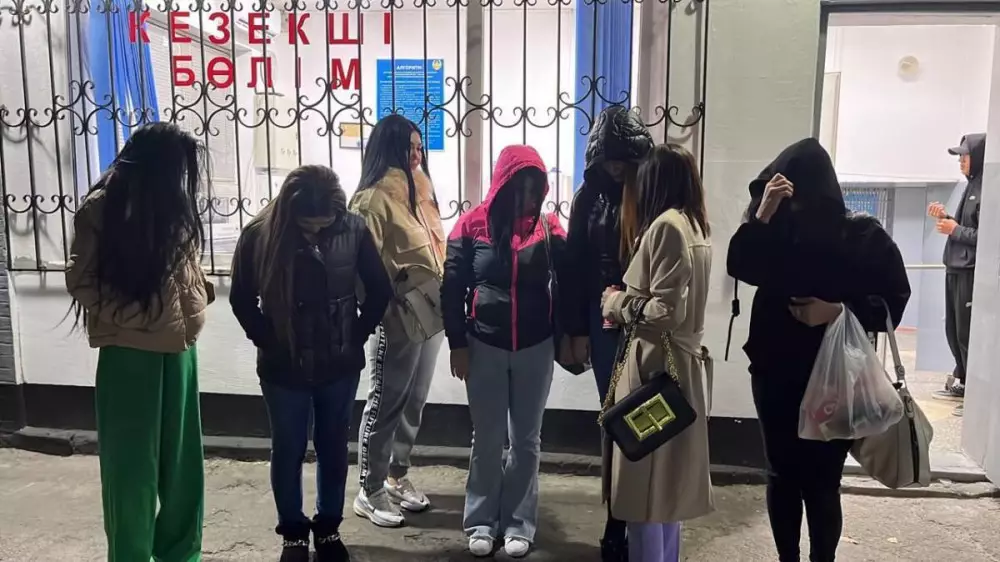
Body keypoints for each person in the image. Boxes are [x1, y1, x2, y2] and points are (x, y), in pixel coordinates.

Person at [727, 138, 911, 562]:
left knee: (822, 481)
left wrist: (838, 311)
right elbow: (740, 265)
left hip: (838, 377)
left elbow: (893, 300)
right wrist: (763, 212)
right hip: (775, 374)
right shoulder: (773, 230)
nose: (797, 206)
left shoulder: (861, 236)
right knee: (782, 475)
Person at [65, 122, 215, 562]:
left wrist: (198, 295)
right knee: (131, 470)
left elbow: (186, 265)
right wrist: (133, 318)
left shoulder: (169, 200)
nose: (183, 176)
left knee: (183, 467)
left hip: (181, 350)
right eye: (177, 167)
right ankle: (131, 555)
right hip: (129, 355)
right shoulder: (102, 207)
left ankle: (181, 554)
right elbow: (80, 279)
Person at [230, 165, 392, 562]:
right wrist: (269, 341)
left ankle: (328, 528)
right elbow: (241, 300)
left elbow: (379, 289)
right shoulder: (259, 235)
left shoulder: (353, 230)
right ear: (290, 212)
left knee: (333, 447)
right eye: (308, 225)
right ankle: (293, 534)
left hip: (339, 364)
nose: (316, 232)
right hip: (283, 367)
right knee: (288, 447)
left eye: (324, 224)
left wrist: (356, 334)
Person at [441, 145, 568, 558]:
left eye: (534, 189)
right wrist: (457, 343)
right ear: (503, 185)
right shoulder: (470, 225)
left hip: (536, 347)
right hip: (483, 346)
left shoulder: (549, 227)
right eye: (520, 189)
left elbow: (570, 280)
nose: (528, 198)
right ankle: (481, 521)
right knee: (487, 437)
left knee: (526, 441)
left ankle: (518, 523)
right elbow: (451, 288)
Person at [599, 144, 714, 562]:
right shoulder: (695, 225)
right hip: (680, 369)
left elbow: (665, 311)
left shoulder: (667, 227)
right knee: (667, 492)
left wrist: (615, 303)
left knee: (643, 492)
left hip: (654, 369)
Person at [563, 105, 653, 560]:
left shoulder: (653, 195)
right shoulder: (589, 198)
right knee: (616, 420)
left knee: (647, 418)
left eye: (625, 160)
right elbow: (574, 267)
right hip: (603, 324)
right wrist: (574, 330)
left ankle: (641, 516)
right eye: (610, 159)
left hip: (645, 321)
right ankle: (617, 517)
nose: (617, 168)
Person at [349, 114, 447, 528]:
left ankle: (395, 475)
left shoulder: (420, 192)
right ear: (389, 148)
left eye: (420, 147)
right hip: (397, 316)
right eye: (410, 147)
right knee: (386, 402)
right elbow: (360, 266)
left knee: (414, 399)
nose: (417, 154)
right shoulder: (372, 200)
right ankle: (369, 489)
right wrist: (381, 309)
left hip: (431, 312)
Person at [928, 133, 986, 418]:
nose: (961, 161)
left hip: (970, 271)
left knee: (967, 333)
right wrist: (946, 218)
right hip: (955, 266)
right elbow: (964, 226)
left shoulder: (988, 188)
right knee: (953, 330)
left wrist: (955, 229)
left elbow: (988, 235)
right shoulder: (971, 185)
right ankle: (962, 381)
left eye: (965, 156)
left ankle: (976, 394)